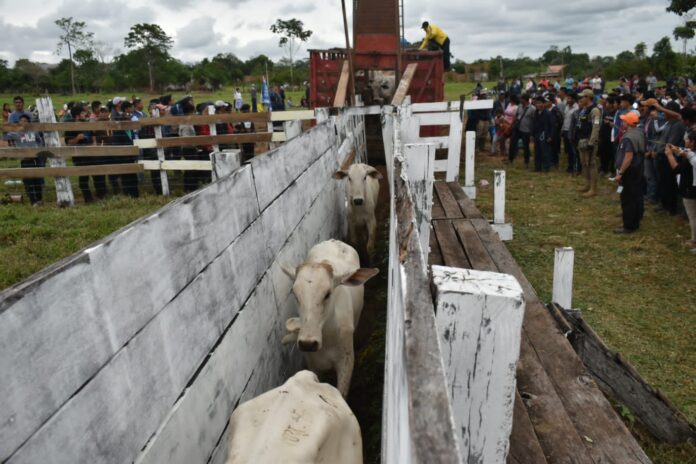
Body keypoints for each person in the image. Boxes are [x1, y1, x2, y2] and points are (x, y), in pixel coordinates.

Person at [65, 105, 105, 203]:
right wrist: (77, 139)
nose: (85, 114)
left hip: (92, 153)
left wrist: (94, 143)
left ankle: (101, 195)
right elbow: (68, 142)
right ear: (77, 116)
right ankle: (88, 198)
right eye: (83, 113)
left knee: (98, 175)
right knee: (84, 178)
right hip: (80, 156)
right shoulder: (71, 127)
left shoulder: (86, 124)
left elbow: (93, 135)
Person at [613, 112, 645, 233]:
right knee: (636, 196)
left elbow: (628, 157)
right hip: (638, 169)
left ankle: (629, 225)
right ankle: (635, 220)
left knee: (627, 199)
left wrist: (620, 173)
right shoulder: (640, 132)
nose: (622, 122)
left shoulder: (628, 137)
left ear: (628, 123)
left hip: (629, 171)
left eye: (624, 121)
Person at [3, 113, 45, 205]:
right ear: (18, 122)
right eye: (21, 120)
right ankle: (33, 201)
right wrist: (5, 129)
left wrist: (39, 149)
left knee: (37, 180)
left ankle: (39, 199)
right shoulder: (15, 133)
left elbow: (39, 140)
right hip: (25, 160)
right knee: (28, 182)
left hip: (36, 159)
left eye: (25, 121)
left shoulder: (34, 131)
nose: (23, 122)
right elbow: (4, 137)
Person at [665, 132, 696, 251]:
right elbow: (687, 153)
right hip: (690, 188)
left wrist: (669, 155)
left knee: (693, 216)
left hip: (690, 190)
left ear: (693, 142)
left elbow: (677, 169)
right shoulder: (691, 154)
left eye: (687, 140)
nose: (685, 142)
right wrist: (676, 150)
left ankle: (694, 240)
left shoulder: (692, 158)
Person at [575, 89, 602, 197]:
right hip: (582, 139)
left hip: (589, 141)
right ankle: (587, 184)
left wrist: (591, 142)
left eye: (582, 97)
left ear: (588, 97)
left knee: (591, 164)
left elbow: (596, 127)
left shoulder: (594, 110)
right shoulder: (584, 109)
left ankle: (593, 188)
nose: (580, 99)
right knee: (584, 164)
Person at [508, 94, 534, 165]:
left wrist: (532, 132)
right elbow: (516, 116)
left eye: (521, 99)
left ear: (525, 100)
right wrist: (512, 124)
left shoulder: (532, 109)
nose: (520, 100)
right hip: (517, 128)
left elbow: (534, 120)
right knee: (512, 143)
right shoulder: (519, 106)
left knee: (526, 146)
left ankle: (526, 161)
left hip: (526, 130)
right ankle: (510, 159)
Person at [532, 96, 553, 172]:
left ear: (544, 104)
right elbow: (533, 124)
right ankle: (537, 167)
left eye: (539, 103)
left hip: (545, 134)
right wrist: (532, 134)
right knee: (537, 151)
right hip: (537, 134)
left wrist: (550, 136)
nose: (538, 105)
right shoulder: (536, 112)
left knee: (545, 152)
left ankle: (546, 168)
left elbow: (552, 125)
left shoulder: (548, 113)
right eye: (537, 103)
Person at [561, 92, 580, 174]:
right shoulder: (566, 107)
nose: (567, 100)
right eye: (567, 98)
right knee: (568, 150)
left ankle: (576, 167)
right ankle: (570, 166)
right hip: (565, 130)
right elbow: (565, 119)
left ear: (574, 99)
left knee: (574, 150)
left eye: (569, 98)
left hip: (572, 131)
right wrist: (562, 129)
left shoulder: (577, 108)